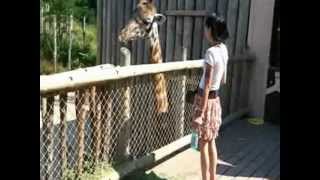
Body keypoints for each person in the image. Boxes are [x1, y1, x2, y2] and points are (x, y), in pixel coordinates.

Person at [191, 13, 229, 180]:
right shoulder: (224, 49)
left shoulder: (210, 53)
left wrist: (200, 113)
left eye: (206, 28)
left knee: (203, 144)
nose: (204, 31)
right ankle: (213, 178)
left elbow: (206, 85)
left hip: (205, 101)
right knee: (211, 141)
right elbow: (224, 79)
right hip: (216, 100)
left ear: (211, 30)